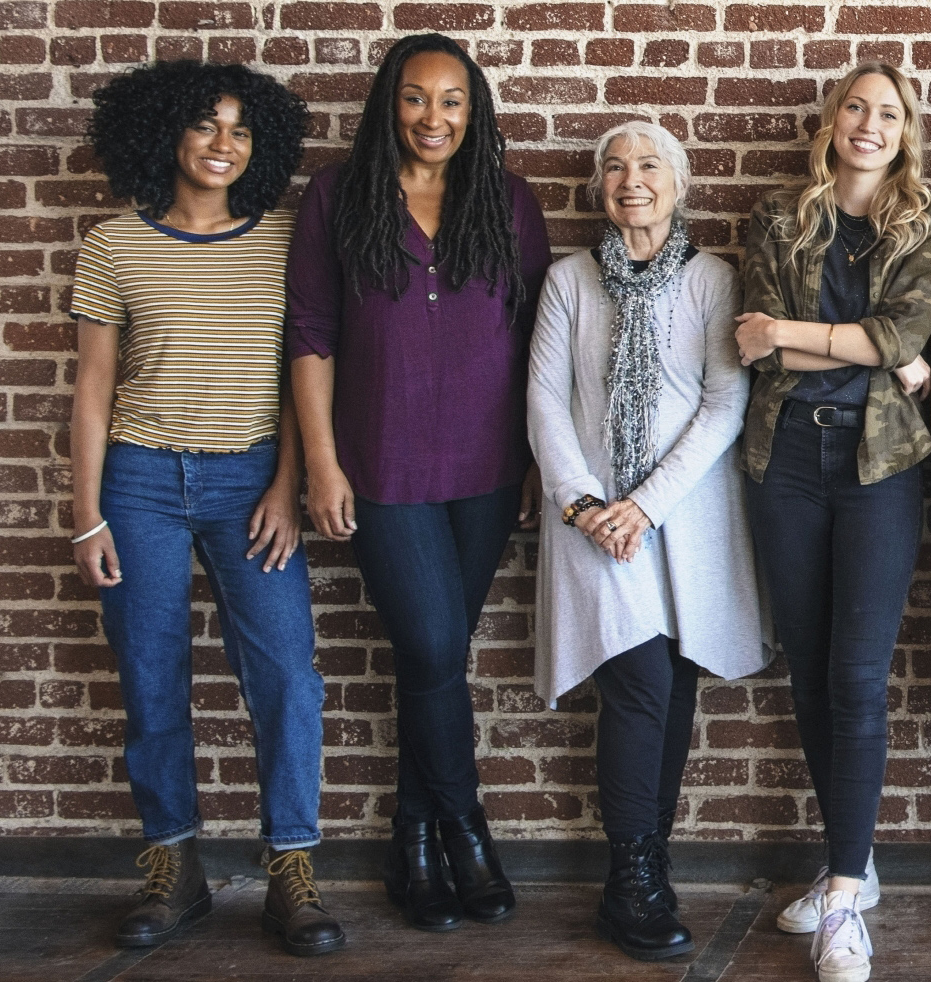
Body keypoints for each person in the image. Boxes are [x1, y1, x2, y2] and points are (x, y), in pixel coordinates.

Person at [69, 59, 344, 957]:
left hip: (249, 482)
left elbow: (302, 371)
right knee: (151, 673)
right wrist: (87, 514)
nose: (223, 144)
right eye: (204, 125)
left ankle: (292, 869)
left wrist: (289, 486)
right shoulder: (115, 246)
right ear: (165, 136)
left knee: (285, 675)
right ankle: (173, 865)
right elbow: (94, 391)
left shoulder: (283, 240)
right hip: (140, 482)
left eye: (241, 129)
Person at [286, 32, 549, 933]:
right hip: (382, 465)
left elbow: (535, 347)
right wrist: (321, 462)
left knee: (430, 658)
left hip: (484, 469)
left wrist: (533, 463)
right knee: (436, 647)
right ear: (386, 104)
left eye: (451, 101)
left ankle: (413, 838)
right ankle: (466, 827)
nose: (432, 118)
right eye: (414, 97)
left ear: (473, 114)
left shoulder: (507, 201)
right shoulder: (335, 197)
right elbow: (312, 335)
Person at [733, 62, 931, 982]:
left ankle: (844, 898)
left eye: (888, 113)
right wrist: (862, 347)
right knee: (811, 674)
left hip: (878, 469)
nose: (870, 124)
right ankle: (846, 872)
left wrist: (796, 330)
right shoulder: (775, 220)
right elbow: (747, 339)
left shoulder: (926, 222)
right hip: (784, 463)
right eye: (856, 108)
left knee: (859, 678)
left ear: (907, 131)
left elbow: (903, 338)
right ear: (829, 121)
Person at [528, 120, 767, 962]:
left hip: (684, 520)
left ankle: (647, 866)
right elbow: (545, 402)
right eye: (616, 168)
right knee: (634, 683)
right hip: (593, 527)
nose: (632, 180)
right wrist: (586, 503)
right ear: (600, 189)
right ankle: (629, 881)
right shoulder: (569, 282)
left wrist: (647, 503)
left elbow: (723, 403)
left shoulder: (712, 280)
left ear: (681, 182)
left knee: (670, 686)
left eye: (650, 166)